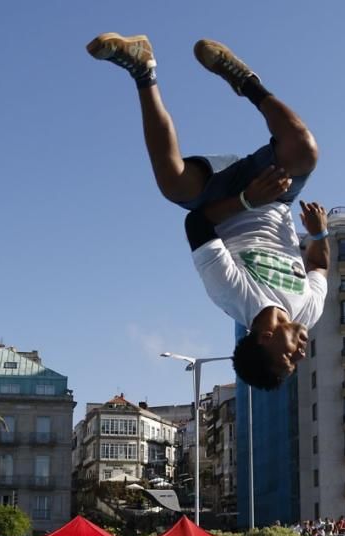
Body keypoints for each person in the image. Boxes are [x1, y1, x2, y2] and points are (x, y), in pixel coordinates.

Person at [87, 33, 327, 390]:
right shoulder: (309, 311)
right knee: (304, 149)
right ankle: (247, 82)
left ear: (264, 339)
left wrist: (247, 200)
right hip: (274, 195)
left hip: (227, 199)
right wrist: (319, 232)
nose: (301, 355)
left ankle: (142, 69)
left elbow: (197, 223)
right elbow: (320, 266)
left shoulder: (231, 294)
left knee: (172, 184)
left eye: (288, 358)